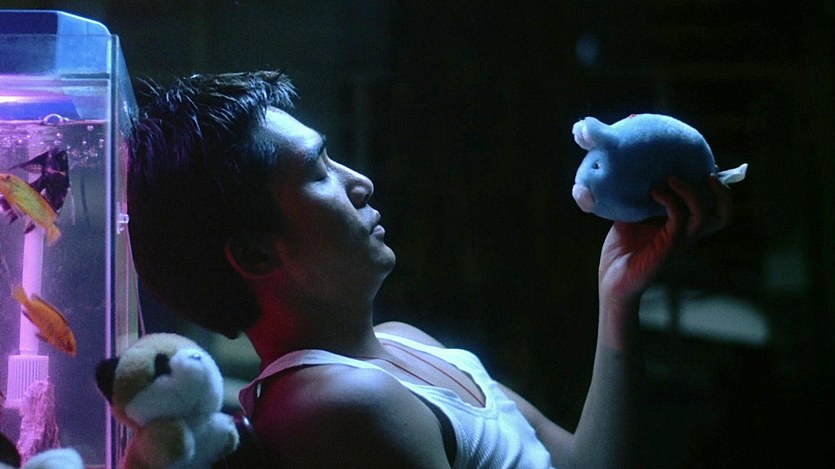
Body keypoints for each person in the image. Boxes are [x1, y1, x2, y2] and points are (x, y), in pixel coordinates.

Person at [127, 71, 733, 468]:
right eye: (317, 172)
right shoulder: (337, 405)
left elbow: (578, 464)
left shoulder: (399, 343)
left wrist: (618, 294)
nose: (359, 183)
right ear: (258, 254)